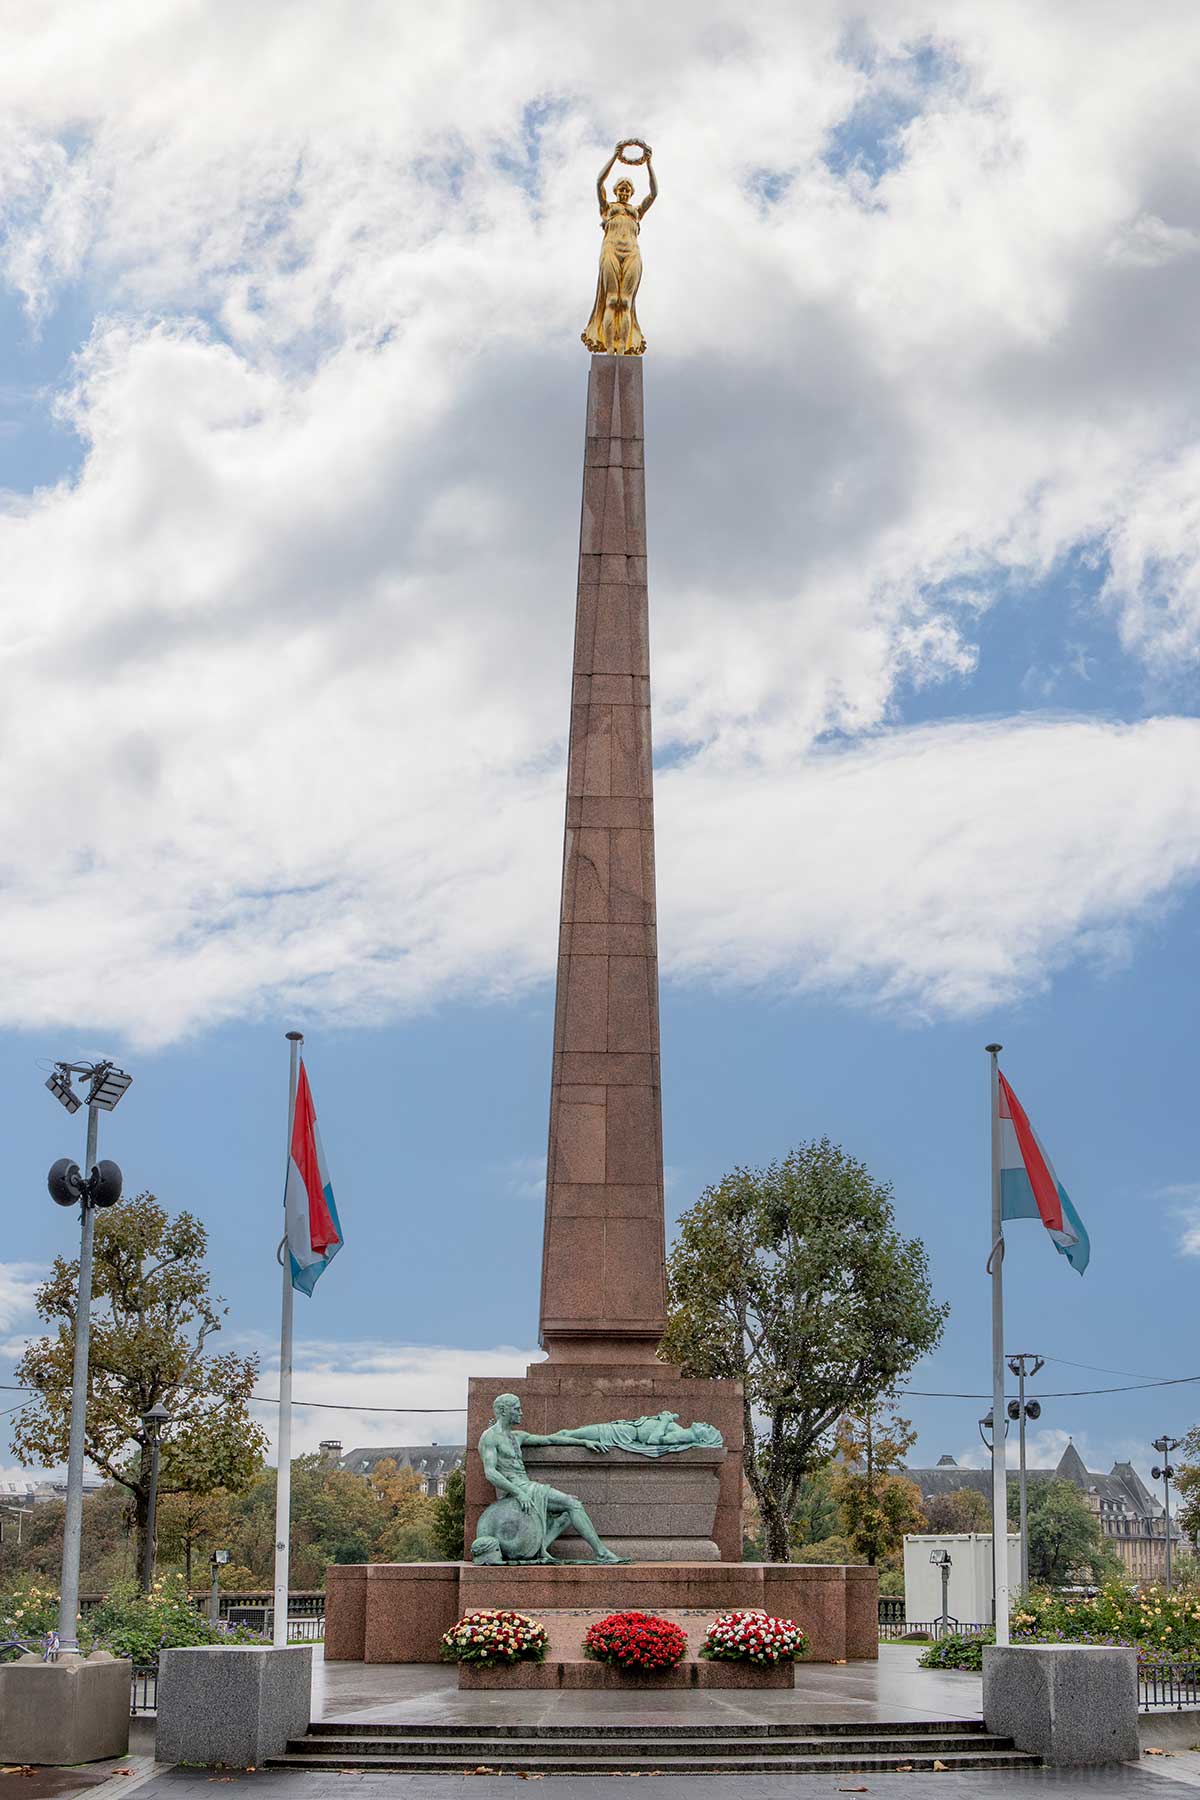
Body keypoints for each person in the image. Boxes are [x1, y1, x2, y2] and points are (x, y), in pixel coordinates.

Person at [477, 1392, 621, 1562]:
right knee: (573, 1505)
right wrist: (519, 1493)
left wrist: (583, 1442)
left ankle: (539, 1547)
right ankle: (602, 1553)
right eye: (517, 1409)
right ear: (503, 1410)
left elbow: (550, 1440)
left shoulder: (517, 1436)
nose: (521, 1412)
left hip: (526, 1487)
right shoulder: (490, 1436)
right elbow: (491, 1472)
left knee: (567, 1514)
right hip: (515, 1492)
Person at [581, 140, 657, 355]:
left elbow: (654, 194)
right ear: (616, 191)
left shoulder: (636, 211)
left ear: (631, 193)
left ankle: (622, 350)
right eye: (621, 188)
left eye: (627, 189)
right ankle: (610, 351)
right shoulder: (608, 208)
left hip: (632, 253)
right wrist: (615, 156)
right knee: (612, 299)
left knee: (625, 302)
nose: (624, 191)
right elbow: (598, 183)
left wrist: (649, 164)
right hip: (611, 251)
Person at [522, 1411, 723, 1457]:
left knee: (569, 1434)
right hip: (625, 1428)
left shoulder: (680, 1436)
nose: (705, 1423)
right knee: (569, 1433)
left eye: (708, 1428)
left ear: (703, 1439)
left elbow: (654, 1441)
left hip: (621, 1434)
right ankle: (537, 1442)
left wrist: (664, 1420)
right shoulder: (679, 1430)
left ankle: (536, 1443)